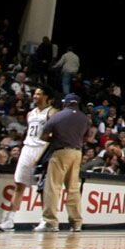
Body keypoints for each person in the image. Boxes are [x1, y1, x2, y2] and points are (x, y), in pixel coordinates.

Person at [0, 88, 55, 230]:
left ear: (46, 96)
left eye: (38, 94)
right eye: (35, 94)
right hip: (27, 148)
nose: (35, 96)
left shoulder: (52, 112)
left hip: (41, 149)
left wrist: (45, 153)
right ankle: (9, 219)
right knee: (19, 184)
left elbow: (53, 135)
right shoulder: (30, 114)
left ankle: (45, 220)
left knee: (43, 188)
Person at [39, 95, 90, 232]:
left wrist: (56, 138)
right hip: (77, 153)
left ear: (65, 103)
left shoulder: (58, 116)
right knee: (73, 188)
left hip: (60, 151)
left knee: (53, 187)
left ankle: (51, 222)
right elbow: (88, 137)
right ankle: (76, 222)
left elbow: (43, 135)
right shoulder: (84, 118)